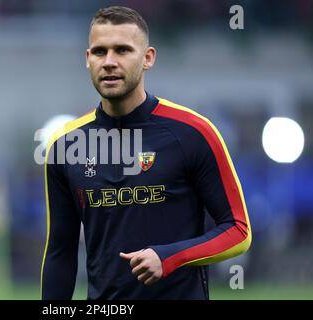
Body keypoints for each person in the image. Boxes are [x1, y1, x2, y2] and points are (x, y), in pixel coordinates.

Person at [40, 6, 251, 300]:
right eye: (100, 52)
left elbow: (238, 231)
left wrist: (170, 256)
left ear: (148, 58)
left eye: (123, 50)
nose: (110, 62)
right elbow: (60, 252)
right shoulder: (65, 145)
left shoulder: (193, 132)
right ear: (88, 60)